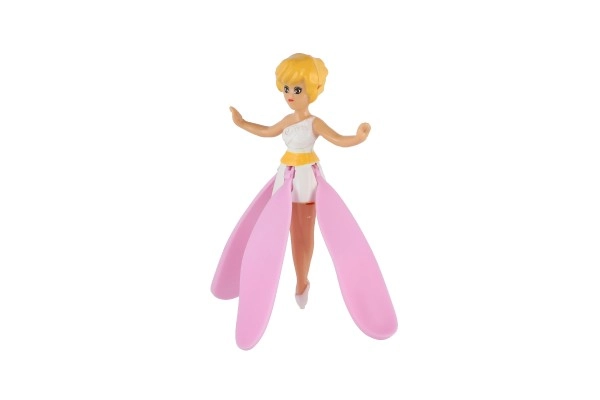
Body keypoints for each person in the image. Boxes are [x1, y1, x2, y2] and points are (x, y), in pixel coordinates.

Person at [228, 53, 371, 308]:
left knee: (303, 232)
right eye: (286, 89)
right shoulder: (288, 121)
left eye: (296, 89)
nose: (290, 95)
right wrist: (242, 123)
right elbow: (267, 131)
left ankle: (302, 280)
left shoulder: (314, 123)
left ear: (313, 90)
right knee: (273, 229)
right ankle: (262, 278)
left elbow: (339, 139)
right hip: (285, 177)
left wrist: (358, 137)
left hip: (306, 180)